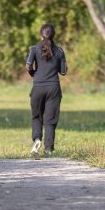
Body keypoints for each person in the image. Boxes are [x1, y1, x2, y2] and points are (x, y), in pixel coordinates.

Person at [25, 23, 67, 158]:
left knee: (36, 116)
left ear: (40, 35)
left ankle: (37, 140)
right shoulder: (59, 51)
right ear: (53, 35)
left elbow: (28, 65)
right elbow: (63, 71)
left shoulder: (34, 49)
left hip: (38, 88)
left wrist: (33, 73)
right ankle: (48, 148)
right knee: (50, 120)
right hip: (53, 88)